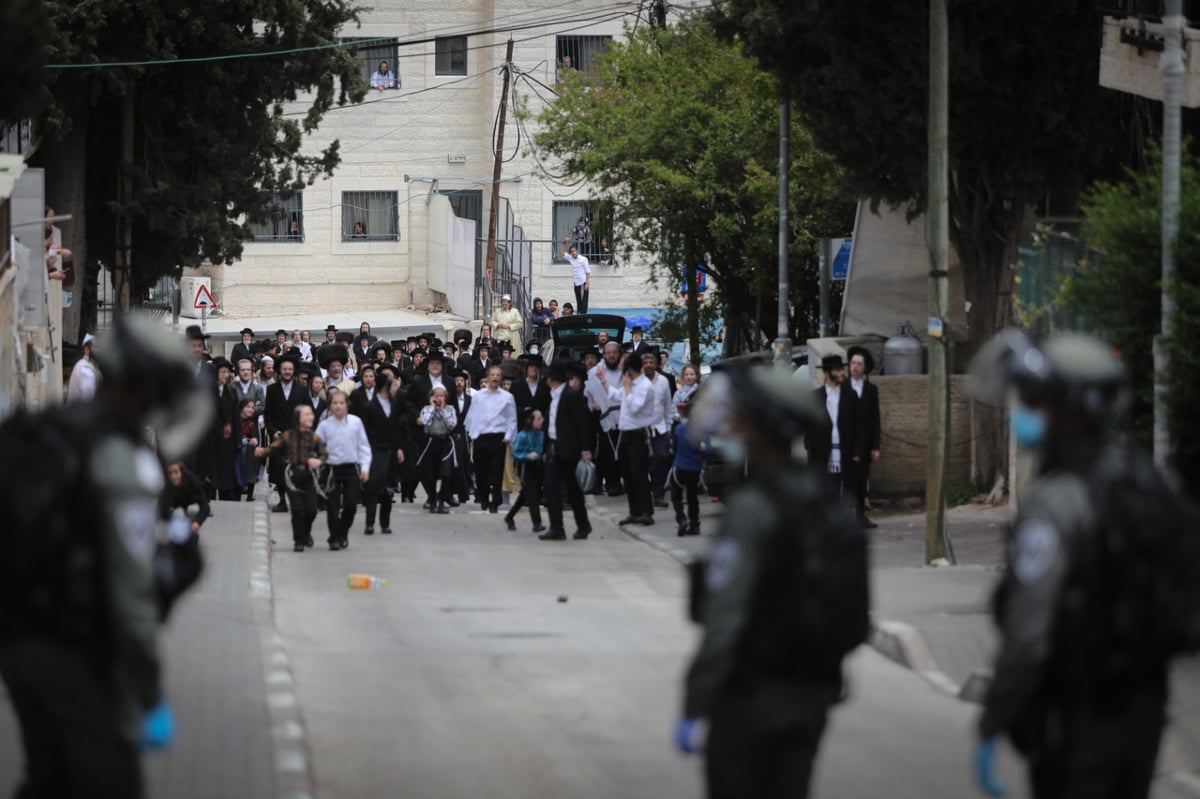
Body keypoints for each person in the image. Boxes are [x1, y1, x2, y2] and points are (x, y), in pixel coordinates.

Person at [967, 330, 1200, 799]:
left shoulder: (1056, 503)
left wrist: (996, 715)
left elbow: (1029, 632)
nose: (1020, 412)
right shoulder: (1145, 482)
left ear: (1057, 409)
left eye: (1029, 401)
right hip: (1143, 713)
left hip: (1075, 717)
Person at [0, 314, 214, 798]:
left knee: (47, 780)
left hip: (18, 640)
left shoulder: (53, 427)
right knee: (111, 784)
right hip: (79, 653)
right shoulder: (122, 460)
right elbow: (131, 594)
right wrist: (148, 691)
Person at [677, 367, 869, 799]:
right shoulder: (828, 500)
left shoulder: (753, 509)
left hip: (751, 696)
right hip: (812, 694)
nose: (731, 423)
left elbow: (725, 619)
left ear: (762, 427)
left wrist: (695, 702)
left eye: (741, 415)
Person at [257, 405, 327, 552]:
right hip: (292, 475)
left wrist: (319, 461)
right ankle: (299, 540)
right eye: (307, 414)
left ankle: (306, 532)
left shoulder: (314, 437)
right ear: (298, 418)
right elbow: (274, 448)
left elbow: (324, 454)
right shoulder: (288, 435)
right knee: (297, 509)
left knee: (312, 509)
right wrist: (262, 451)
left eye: (311, 414)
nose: (311, 417)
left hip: (309, 476)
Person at [538, 359, 593, 540]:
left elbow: (583, 424)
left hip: (569, 449)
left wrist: (585, 449)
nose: (546, 380)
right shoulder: (553, 396)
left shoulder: (571, 395)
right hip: (553, 447)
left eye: (548, 377)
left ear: (554, 378)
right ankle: (556, 527)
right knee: (551, 486)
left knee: (573, 490)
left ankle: (583, 526)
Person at [600, 354, 656, 526]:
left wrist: (628, 389)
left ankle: (646, 511)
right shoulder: (629, 383)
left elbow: (635, 407)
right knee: (627, 474)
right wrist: (603, 381)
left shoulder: (645, 386)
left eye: (623, 366)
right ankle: (634, 511)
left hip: (638, 433)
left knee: (639, 474)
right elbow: (616, 396)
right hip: (625, 433)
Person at [314, 390, 371, 551]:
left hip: (350, 468)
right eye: (335, 403)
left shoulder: (356, 422)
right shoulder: (325, 425)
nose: (338, 406)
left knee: (351, 504)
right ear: (330, 406)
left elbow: (363, 446)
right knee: (332, 506)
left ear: (347, 405)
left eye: (341, 403)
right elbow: (315, 445)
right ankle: (333, 538)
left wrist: (365, 468)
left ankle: (342, 532)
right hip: (332, 470)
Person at [464, 366, 518, 513]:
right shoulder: (479, 396)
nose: (495, 377)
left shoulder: (507, 397)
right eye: (492, 375)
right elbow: (472, 415)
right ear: (487, 377)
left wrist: (508, 437)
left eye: (498, 375)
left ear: (501, 378)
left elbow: (511, 419)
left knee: (496, 471)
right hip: (481, 437)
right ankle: (483, 496)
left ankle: (495, 499)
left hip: (498, 438)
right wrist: (473, 434)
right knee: (481, 472)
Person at [805, 354, 858, 502]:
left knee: (844, 492)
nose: (842, 373)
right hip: (822, 453)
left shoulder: (850, 395)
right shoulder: (815, 397)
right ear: (827, 373)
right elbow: (808, 424)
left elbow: (856, 424)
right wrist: (810, 446)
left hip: (845, 452)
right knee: (822, 491)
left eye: (842, 369)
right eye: (838, 370)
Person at [362, 371, 408, 535]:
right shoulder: (369, 406)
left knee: (388, 489)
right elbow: (365, 431)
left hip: (391, 450)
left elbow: (397, 429)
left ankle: (385, 523)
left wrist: (400, 448)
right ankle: (369, 522)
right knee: (374, 488)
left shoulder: (394, 405)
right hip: (375, 451)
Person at [264, 352, 310, 512]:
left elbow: (308, 412)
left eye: (290, 369)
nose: (287, 372)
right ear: (279, 371)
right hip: (279, 436)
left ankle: (298, 501)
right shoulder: (271, 390)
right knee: (280, 471)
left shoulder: (302, 390)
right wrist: (273, 431)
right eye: (284, 369)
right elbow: (267, 415)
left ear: (294, 371)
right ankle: (282, 501)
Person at [846, 346, 881, 528]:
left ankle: (860, 515)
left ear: (864, 367)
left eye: (859, 364)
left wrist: (876, 446)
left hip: (865, 443)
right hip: (846, 442)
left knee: (861, 480)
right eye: (853, 363)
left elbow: (876, 419)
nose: (855, 367)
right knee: (846, 481)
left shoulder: (871, 390)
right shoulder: (842, 387)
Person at [586, 341, 625, 496]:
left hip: (624, 418)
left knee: (625, 452)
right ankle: (612, 484)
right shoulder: (595, 372)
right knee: (607, 454)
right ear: (604, 354)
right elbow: (588, 394)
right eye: (608, 353)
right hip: (605, 418)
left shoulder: (625, 370)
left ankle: (626, 482)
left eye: (614, 352)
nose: (611, 355)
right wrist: (593, 405)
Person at [415, 385, 458, 514]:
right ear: (432, 397)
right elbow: (425, 422)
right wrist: (433, 408)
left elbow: (452, 424)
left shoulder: (450, 409)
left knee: (446, 473)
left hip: (445, 442)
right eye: (436, 395)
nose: (439, 398)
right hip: (431, 442)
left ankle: (441, 501)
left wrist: (443, 410)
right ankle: (432, 501)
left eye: (441, 395)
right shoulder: (427, 409)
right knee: (431, 474)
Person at [505, 409, 546, 532]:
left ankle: (509, 517)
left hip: (539, 467)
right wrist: (528, 456)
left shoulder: (542, 434)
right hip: (525, 468)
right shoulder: (522, 435)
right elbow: (515, 452)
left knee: (525, 495)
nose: (541, 421)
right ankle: (537, 523)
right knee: (532, 496)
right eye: (538, 419)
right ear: (530, 420)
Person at [670, 401, 706, 536]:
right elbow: (707, 449)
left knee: (676, 494)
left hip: (680, 467)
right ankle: (694, 524)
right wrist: (706, 461)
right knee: (692, 496)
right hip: (695, 469)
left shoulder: (679, 428)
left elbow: (673, 448)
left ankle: (681, 519)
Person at [644, 350, 674, 510]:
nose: (649, 365)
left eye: (651, 362)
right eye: (646, 363)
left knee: (662, 458)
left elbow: (668, 406)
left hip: (660, 427)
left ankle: (659, 493)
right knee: (646, 462)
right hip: (642, 429)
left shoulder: (663, 381)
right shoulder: (637, 380)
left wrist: (669, 427)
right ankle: (648, 493)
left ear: (656, 364)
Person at [158, 462, 212, 533]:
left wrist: (197, 522)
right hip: (176, 502)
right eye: (170, 473)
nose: (173, 477)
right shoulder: (167, 485)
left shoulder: (193, 481)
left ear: (182, 473)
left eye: (176, 472)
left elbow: (205, 507)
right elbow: (160, 509)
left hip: (191, 498)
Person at [234, 398, 261, 501]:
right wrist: (246, 441)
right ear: (241, 408)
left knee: (252, 453)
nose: (251, 410)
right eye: (248, 407)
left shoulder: (253, 422)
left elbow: (256, 437)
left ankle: (250, 493)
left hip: (249, 450)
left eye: (253, 408)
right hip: (238, 447)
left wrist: (254, 440)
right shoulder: (236, 421)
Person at [559, 239, 591, 313]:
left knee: (584, 299)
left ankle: (583, 313)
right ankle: (579, 312)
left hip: (583, 282)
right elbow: (561, 252)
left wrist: (587, 283)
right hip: (576, 282)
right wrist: (563, 243)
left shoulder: (583, 259)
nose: (573, 253)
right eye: (571, 252)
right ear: (570, 253)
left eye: (574, 251)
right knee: (578, 299)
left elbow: (588, 271)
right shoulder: (570, 258)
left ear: (577, 251)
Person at [67, 333, 100, 403]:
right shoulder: (86, 371)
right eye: (96, 347)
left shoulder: (85, 364)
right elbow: (88, 402)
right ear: (87, 350)